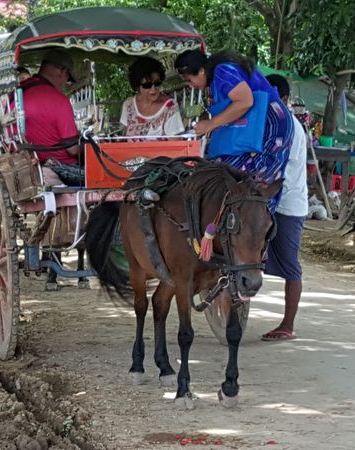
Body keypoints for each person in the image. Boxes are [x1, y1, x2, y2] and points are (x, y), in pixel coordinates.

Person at [175, 49, 294, 210]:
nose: (191, 86)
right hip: (254, 129)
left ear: (202, 71)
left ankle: (255, 226)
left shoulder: (223, 71)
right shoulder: (214, 82)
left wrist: (211, 124)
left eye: (190, 80)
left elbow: (245, 102)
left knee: (258, 180)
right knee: (225, 170)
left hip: (272, 125)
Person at [260, 74, 308, 342]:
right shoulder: (269, 123)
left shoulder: (290, 127)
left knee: (290, 265)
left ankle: (288, 324)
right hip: (268, 200)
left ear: (285, 99)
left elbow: (276, 168)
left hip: (287, 204)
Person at [21, 50, 81, 186]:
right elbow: (73, 150)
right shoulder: (60, 101)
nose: (66, 83)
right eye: (68, 78)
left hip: (25, 164)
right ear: (62, 71)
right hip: (62, 167)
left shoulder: (18, 94)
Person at [120, 57, 184, 136]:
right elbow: (123, 139)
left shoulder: (170, 107)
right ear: (137, 86)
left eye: (157, 83)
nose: (153, 89)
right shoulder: (128, 105)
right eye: (147, 85)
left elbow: (175, 143)